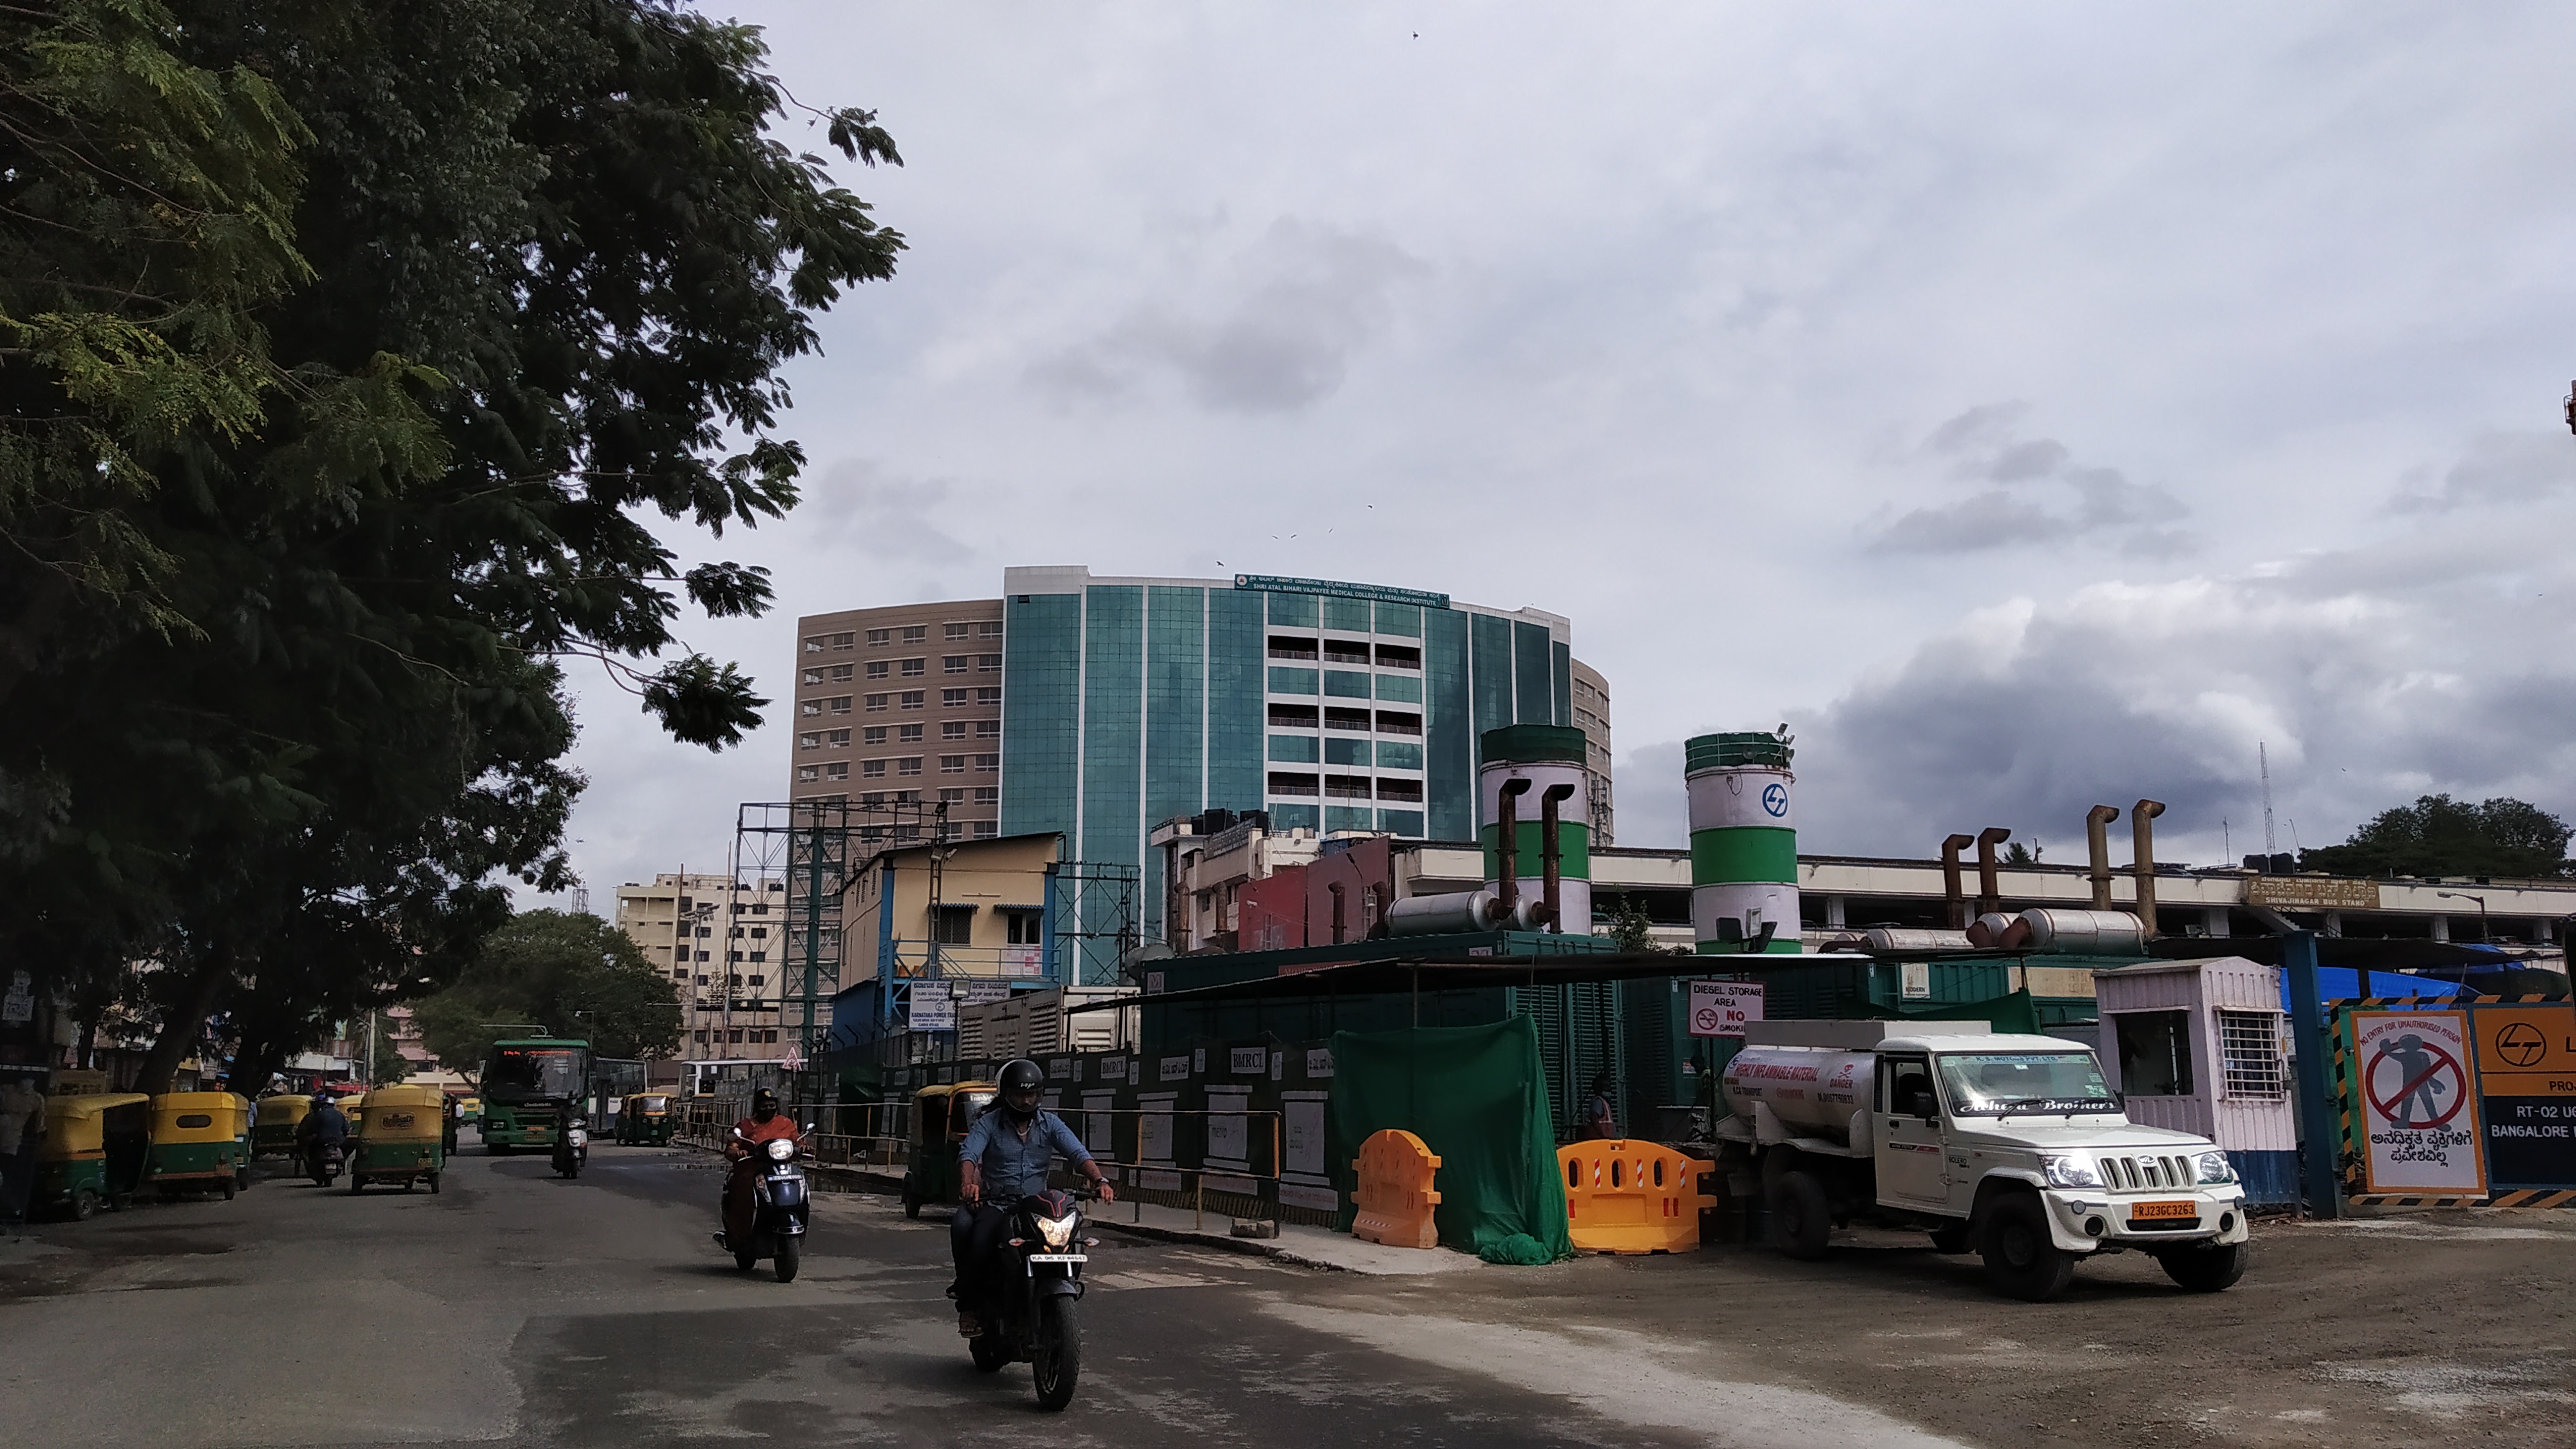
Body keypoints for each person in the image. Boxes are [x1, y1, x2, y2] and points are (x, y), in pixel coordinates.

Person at [951, 1059, 1113, 1338]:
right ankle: (971, 1307)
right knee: (978, 1241)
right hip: (999, 1205)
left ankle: (1059, 1286)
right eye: (1019, 1095)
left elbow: (1078, 1153)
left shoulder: (1050, 1123)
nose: (1026, 1101)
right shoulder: (989, 1124)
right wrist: (968, 1184)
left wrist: (1099, 1180)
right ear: (1005, 1094)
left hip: (1037, 1206)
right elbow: (969, 1154)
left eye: (1032, 1095)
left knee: (1070, 1238)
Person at [0, 1072, 46, 1229]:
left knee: (3, 1180)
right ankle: (11, 1210)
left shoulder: (36, 1100)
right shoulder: (6, 1091)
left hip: (11, 1144)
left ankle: (11, 1210)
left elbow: (39, 1127)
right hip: (10, 1142)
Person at [298, 1092, 349, 1175]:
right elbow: (346, 1129)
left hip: (321, 1140)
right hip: (338, 1140)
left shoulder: (318, 1115)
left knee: (311, 1148)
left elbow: (312, 1128)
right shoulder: (340, 1114)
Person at [1584, 1073, 1617, 1141]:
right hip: (1600, 1141)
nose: (1609, 1089)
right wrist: (1602, 1136)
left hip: (1606, 1141)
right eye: (1606, 1086)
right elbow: (1594, 1118)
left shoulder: (1604, 1102)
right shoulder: (1598, 1102)